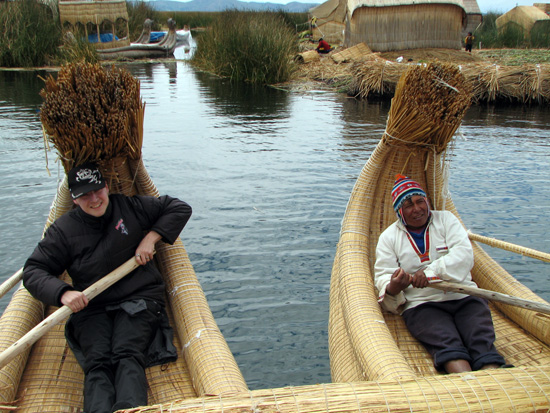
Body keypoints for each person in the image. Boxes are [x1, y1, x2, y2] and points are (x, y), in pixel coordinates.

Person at [23, 162, 192, 413]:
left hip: (139, 296)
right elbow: (33, 271)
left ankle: (130, 409)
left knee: (127, 352)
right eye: (85, 195)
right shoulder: (63, 230)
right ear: (74, 199)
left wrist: (151, 237)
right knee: (98, 361)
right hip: (92, 304)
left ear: (107, 186)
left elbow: (179, 208)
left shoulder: (129, 206)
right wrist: (64, 292)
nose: (94, 199)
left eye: (98, 190)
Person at [374, 175, 508, 374]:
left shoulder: (446, 220)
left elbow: (463, 255)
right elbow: (383, 275)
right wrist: (394, 285)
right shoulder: (389, 237)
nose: (417, 208)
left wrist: (430, 273)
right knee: (447, 343)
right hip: (423, 305)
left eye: (420, 201)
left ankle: (493, 377)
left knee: (480, 339)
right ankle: (468, 384)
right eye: (408, 205)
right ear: (399, 211)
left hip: (463, 295)